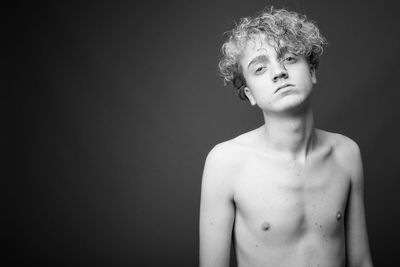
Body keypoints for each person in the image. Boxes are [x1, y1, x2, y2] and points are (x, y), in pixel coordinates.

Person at [199, 7, 373, 267]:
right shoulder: (226, 162)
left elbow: (360, 262)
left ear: (312, 71)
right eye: (260, 68)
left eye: (290, 58)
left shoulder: (346, 154)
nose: (279, 72)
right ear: (250, 95)